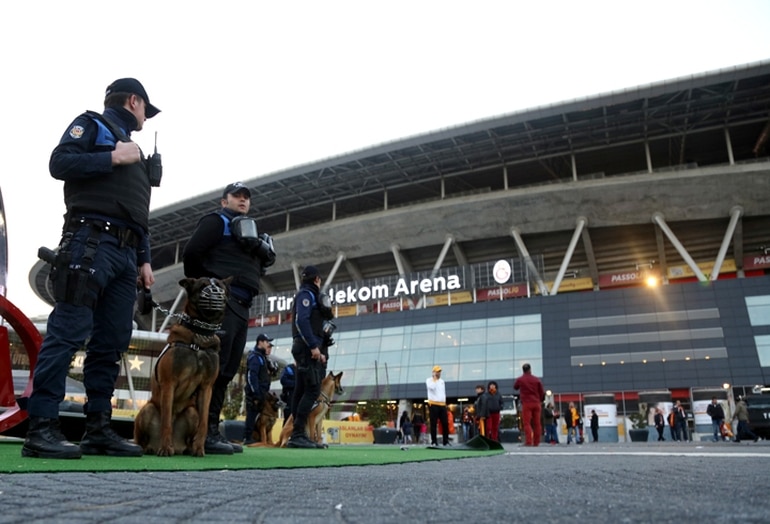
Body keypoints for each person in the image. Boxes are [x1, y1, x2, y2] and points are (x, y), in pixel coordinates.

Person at [22, 78, 161, 459]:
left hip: (125, 253)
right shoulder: (93, 125)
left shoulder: (134, 150)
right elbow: (59, 162)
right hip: (90, 242)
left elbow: (137, 213)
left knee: (111, 343)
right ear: (134, 101)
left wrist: (144, 258)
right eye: (145, 110)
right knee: (68, 333)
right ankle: (41, 427)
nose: (146, 118)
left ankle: (98, 427)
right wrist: (112, 157)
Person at [183, 181, 276, 454]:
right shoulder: (216, 222)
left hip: (241, 306)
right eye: (237, 196)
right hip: (221, 304)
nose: (243, 200)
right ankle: (200, 432)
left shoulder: (252, 235)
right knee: (213, 369)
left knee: (225, 371)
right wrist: (203, 290)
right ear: (224, 201)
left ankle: (209, 430)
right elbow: (191, 253)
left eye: (246, 197)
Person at [287, 265, 332, 449]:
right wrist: (314, 346)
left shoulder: (307, 294)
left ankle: (296, 434)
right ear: (317, 280)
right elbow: (301, 320)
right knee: (312, 390)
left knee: (300, 390)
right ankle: (298, 434)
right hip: (307, 348)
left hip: (304, 347)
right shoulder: (307, 295)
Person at [242, 334, 274, 444]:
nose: (268, 344)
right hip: (255, 393)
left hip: (262, 392)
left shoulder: (262, 357)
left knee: (258, 416)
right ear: (260, 342)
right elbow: (252, 376)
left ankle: (255, 438)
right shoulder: (255, 356)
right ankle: (248, 438)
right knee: (252, 414)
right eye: (266, 342)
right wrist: (256, 393)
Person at [513, 363, 545, 446]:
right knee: (537, 423)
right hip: (536, 402)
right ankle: (536, 442)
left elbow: (515, 387)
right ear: (530, 369)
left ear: (523, 370)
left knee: (527, 423)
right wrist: (540, 399)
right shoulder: (536, 379)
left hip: (526, 403)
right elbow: (541, 392)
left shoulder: (520, 379)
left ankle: (528, 441)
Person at [426, 365, 450, 446]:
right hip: (433, 404)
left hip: (442, 404)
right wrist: (435, 379)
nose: (439, 373)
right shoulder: (429, 380)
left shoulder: (442, 381)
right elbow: (431, 387)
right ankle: (434, 441)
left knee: (445, 423)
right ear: (433, 372)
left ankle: (445, 441)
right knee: (433, 423)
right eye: (437, 371)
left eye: (439, 372)